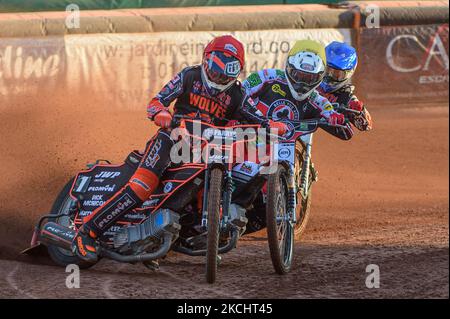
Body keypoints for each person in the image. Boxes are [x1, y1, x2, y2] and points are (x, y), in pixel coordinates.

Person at [71, 35, 288, 262]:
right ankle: (88, 231)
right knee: (143, 186)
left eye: (228, 70)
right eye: (215, 67)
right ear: (206, 60)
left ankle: (180, 233)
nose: (220, 75)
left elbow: (260, 119)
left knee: (227, 175)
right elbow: (157, 101)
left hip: (207, 152)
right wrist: (162, 114)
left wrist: (274, 127)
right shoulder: (189, 76)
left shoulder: (238, 93)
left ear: (238, 71)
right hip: (172, 139)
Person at [242, 39, 354, 140]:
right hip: (251, 140)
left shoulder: (317, 100)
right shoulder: (266, 77)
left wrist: (336, 117)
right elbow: (239, 94)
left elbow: (346, 133)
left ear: (319, 77)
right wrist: (262, 120)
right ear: (289, 68)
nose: (302, 85)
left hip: (290, 148)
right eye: (298, 76)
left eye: (310, 78)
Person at [318, 41, 373, 132]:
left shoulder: (345, 96)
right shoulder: (311, 79)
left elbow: (366, 125)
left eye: (336, 74)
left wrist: (359, 110)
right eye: (327, 70)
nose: (329, 76)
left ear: (348, 74)